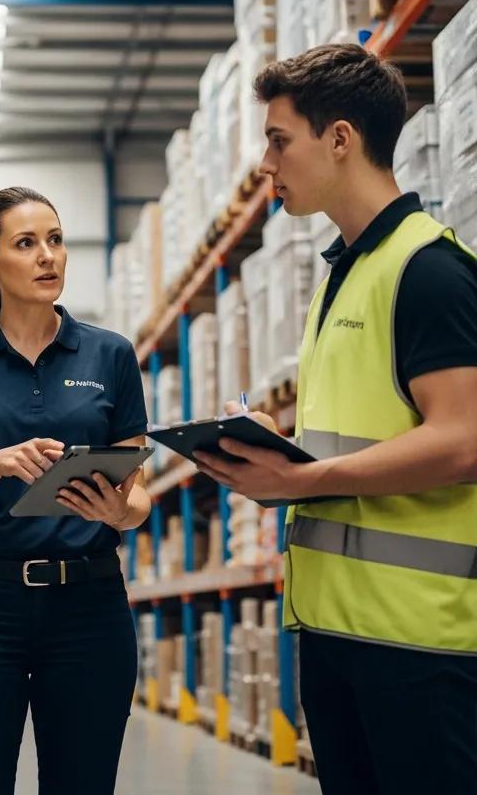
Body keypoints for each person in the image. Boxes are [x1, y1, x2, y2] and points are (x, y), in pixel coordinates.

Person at [193, 45, 477, 795]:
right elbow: (367, 433)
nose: (266, 164)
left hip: (420, 644)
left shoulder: (429, 271)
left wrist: (302, 479)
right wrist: (275, 449)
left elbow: (463, 440)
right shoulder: (343, 276)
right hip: (334, 633)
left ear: (341, 138)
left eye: (279, 140)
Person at [0, 186, 151, 795]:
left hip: (89, 607)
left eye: (56, 240)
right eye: (25, 243)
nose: (48, 255)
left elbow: (139, 497)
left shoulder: (111, 355)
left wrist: (118, 510)